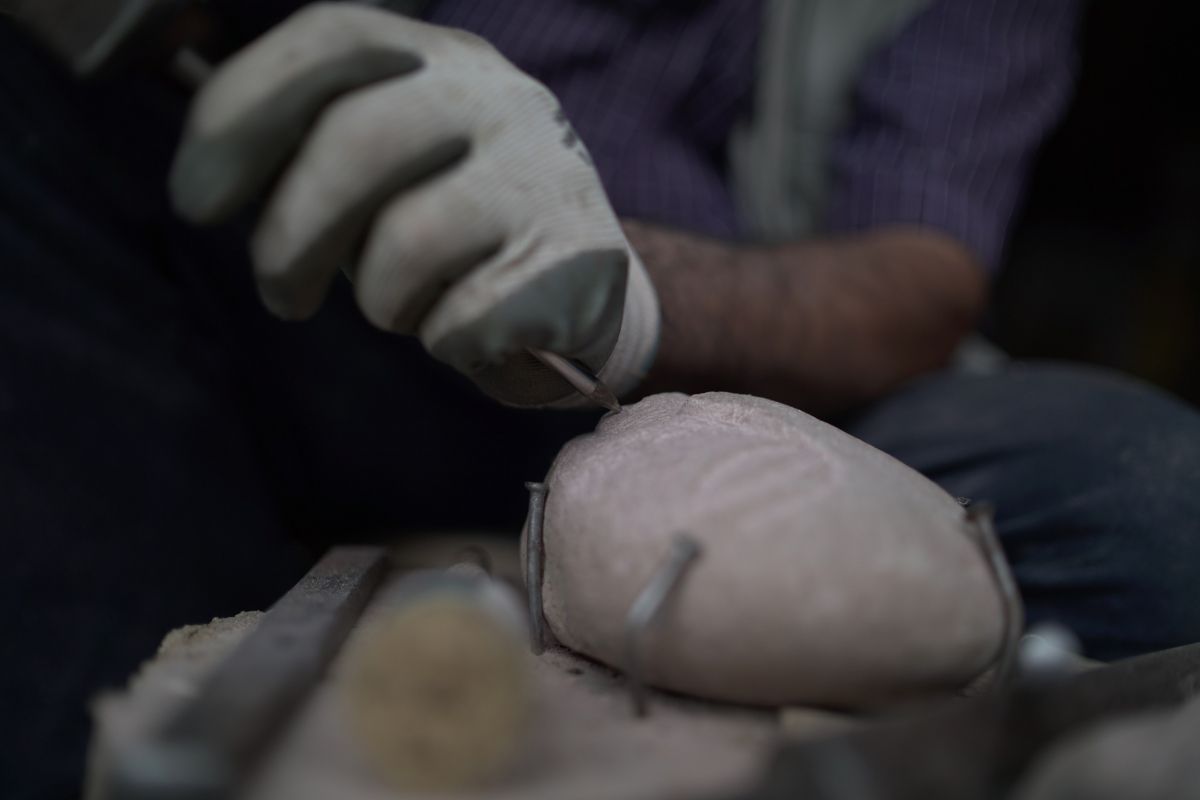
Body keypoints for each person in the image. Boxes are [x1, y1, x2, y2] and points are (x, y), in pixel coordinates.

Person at [2, 1, 1198, 797]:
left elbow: (918, 285)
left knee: (1155, 509)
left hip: (787, 381)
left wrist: (629, 291)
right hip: (359, 319)